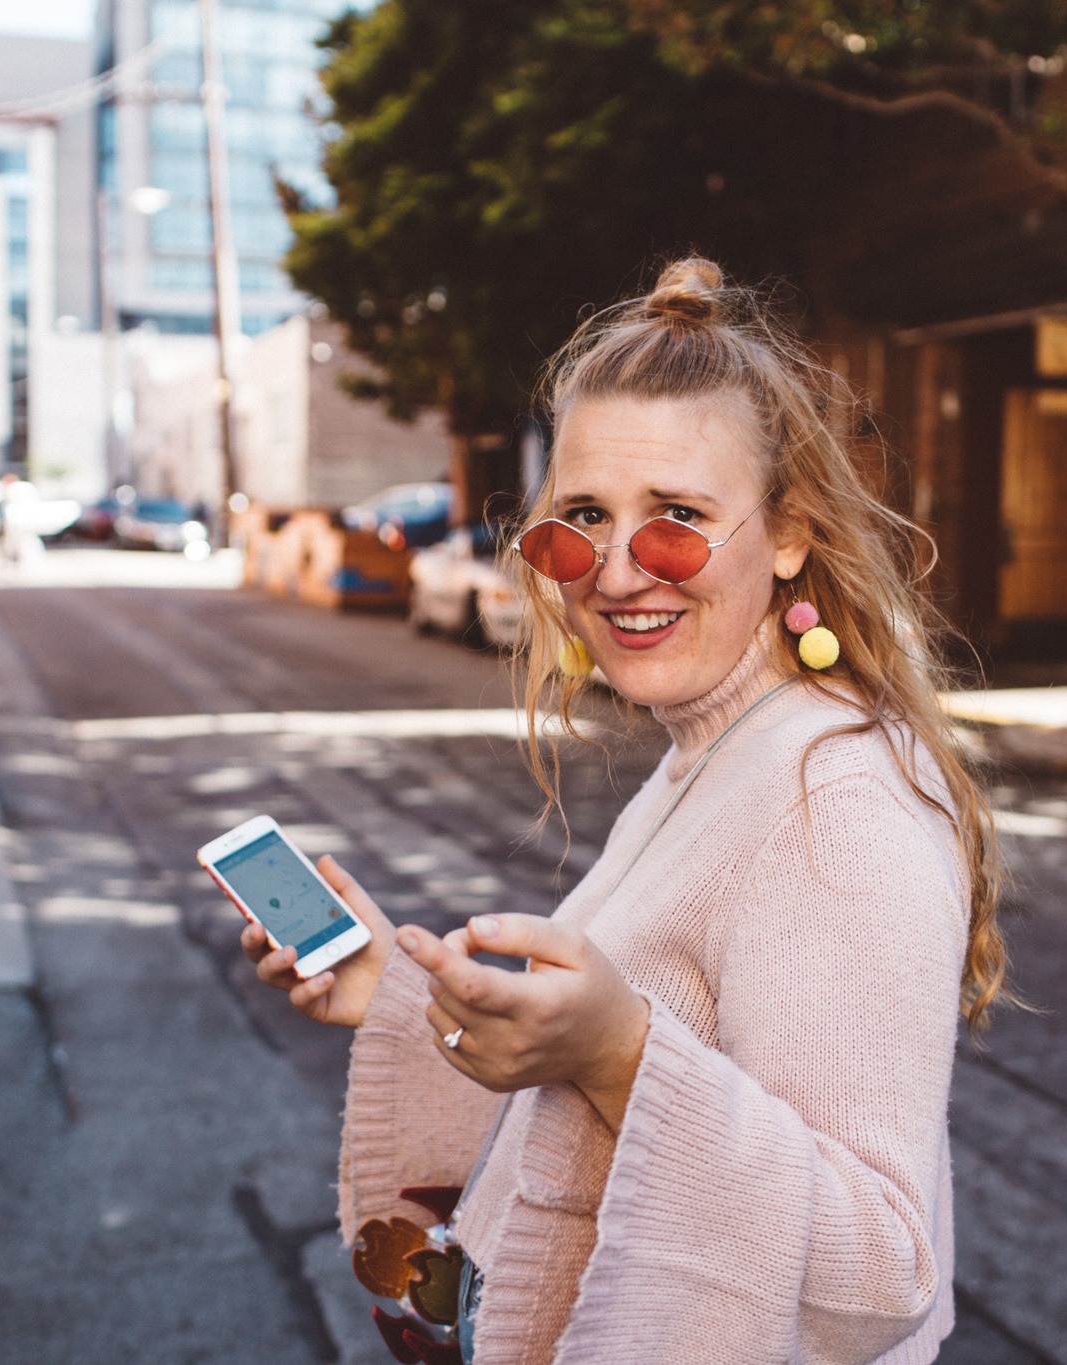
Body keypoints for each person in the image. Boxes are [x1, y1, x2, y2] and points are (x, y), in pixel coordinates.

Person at [241, 257, 1005, 1364]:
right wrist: (399, 995)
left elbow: (878, 1272)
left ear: (789, 533)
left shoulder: (833, 801)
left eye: (677, 519)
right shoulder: (719, 745)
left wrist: (617, 1054)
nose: (613, 573)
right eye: (582, 520)